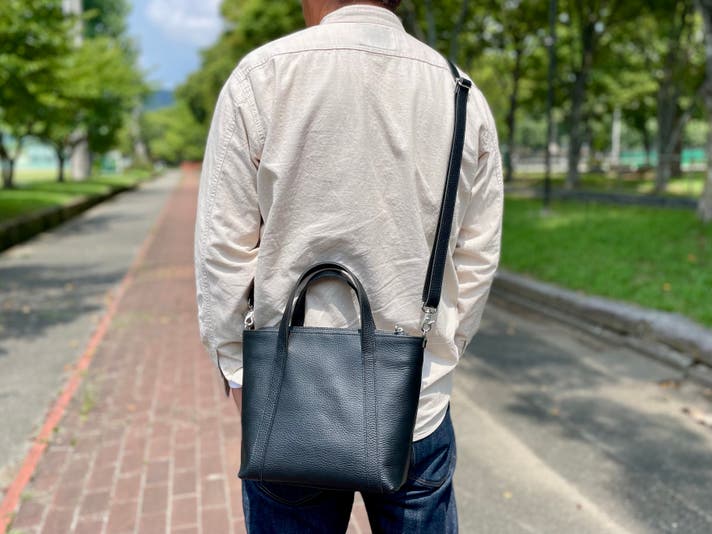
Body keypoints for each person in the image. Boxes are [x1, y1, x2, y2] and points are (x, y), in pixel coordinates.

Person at [194, 0, 503, 531]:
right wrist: (441, 354)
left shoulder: (262, 76)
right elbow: (477, 253)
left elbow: (223, 250)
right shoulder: (461, 93)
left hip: (286, 399)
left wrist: (241, 373)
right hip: (415, 398)